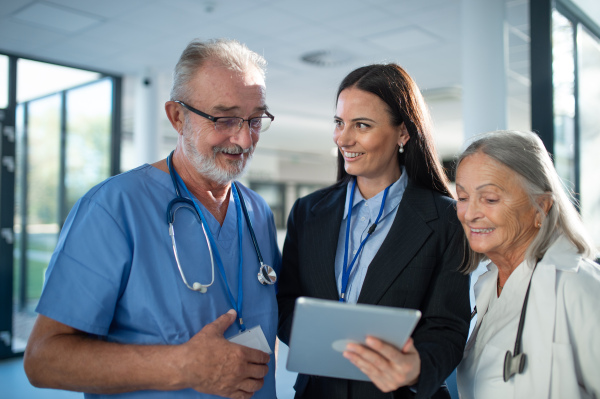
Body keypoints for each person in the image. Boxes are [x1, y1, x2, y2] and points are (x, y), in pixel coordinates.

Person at [24, 38, 281, 399]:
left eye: (255, 120)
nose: (242, 138)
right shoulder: (114, 208)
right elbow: (42, 359)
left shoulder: (257, 212)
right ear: (178, 117)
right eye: (224, 118)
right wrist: (183, 367)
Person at [277, 63, 471, 399]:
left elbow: (447, 327)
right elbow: (286, 303)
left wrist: (416, 366)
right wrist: (322, 341)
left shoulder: (446, 219)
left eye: (361, 125)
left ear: (403, 133)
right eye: (339, 123)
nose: (344, 138)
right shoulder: (308, 212)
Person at [453, 130, 600, 398]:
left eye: (490, 199)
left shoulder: (579, 285)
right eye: (462, 198)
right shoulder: (488, 285)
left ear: (541, 207)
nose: (470, 214)